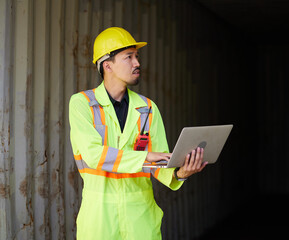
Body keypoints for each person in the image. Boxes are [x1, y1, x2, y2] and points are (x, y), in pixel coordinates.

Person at [69, 27, 207, 240]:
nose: (137, 63)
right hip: (99, 222)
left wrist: (180, 174)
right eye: (129, 57)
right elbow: (93, 155)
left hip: (141, 220)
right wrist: (145, 156)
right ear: (108, 65)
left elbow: (160, 161)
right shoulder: (82, 104)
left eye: (137, 56)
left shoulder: (147, 108)